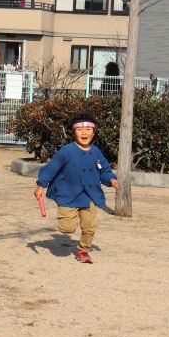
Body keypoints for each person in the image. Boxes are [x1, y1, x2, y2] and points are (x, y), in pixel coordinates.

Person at [34, 112, 119, 264]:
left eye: (88, 129)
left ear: (94, 132)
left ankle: (83, 250)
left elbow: (104, 170)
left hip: (89, 195)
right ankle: (65, 219)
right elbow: (51, 168)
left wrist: (111, 179)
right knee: (67, 229)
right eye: (80, 129)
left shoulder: (96, 152)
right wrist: (41, 184)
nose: (84, 132)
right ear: (74, 132)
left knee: (90, 226)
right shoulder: (67, 151)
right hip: (68, 195)